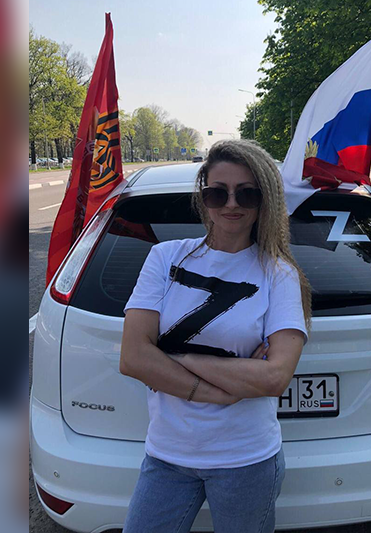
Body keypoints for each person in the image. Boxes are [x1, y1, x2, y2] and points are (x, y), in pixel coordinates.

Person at [120, 139, 312, 533]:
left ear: (265, 199)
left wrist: (173, 357)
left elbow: (275, 377)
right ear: (203, 197)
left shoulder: (279, 274)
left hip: (246, 460)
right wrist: (225, 388)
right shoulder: (165, 257)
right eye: (217, 193)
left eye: (247, 193)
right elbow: (133, 358)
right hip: (167, 455)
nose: (231, 204)